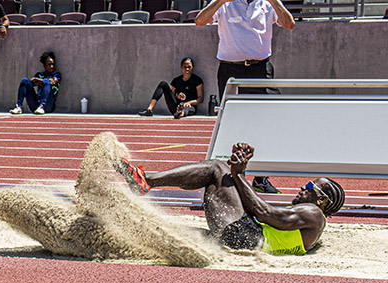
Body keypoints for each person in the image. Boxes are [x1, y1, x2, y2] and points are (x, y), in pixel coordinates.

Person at [115, 142, 345, 255]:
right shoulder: (312, 220)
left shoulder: (314, 214)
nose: (302, 188)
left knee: (217, 168)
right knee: (222, 171)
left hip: (247, 237)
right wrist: (239, 165)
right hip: (246, 234)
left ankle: (147, 180)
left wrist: (237, 174)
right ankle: (127, 226)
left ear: (323, 200)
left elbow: (265, 213)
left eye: (310, 186)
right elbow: (254, 207)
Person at [195, 0, 294, 193]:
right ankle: (226, 177)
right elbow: (200, 21)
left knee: (265, 120)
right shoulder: (224, 4)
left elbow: (289, 24)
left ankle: (261, 178)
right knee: (230, 122)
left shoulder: (268, 3)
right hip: (230, 70)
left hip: (260, 68)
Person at [138, 57, 204, 119]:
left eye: (189, 67)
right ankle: (149, 110)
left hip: (189, 106)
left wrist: (189, 103)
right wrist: (178, 97)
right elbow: (172, 96)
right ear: (181, 67)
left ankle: (179, 113)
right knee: (163, 84)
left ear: (192, 67)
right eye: (185, 67)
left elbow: (200, 99)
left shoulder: (197, 80)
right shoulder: (176, 80)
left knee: (186, 108)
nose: (187, 69)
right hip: (176, 106)